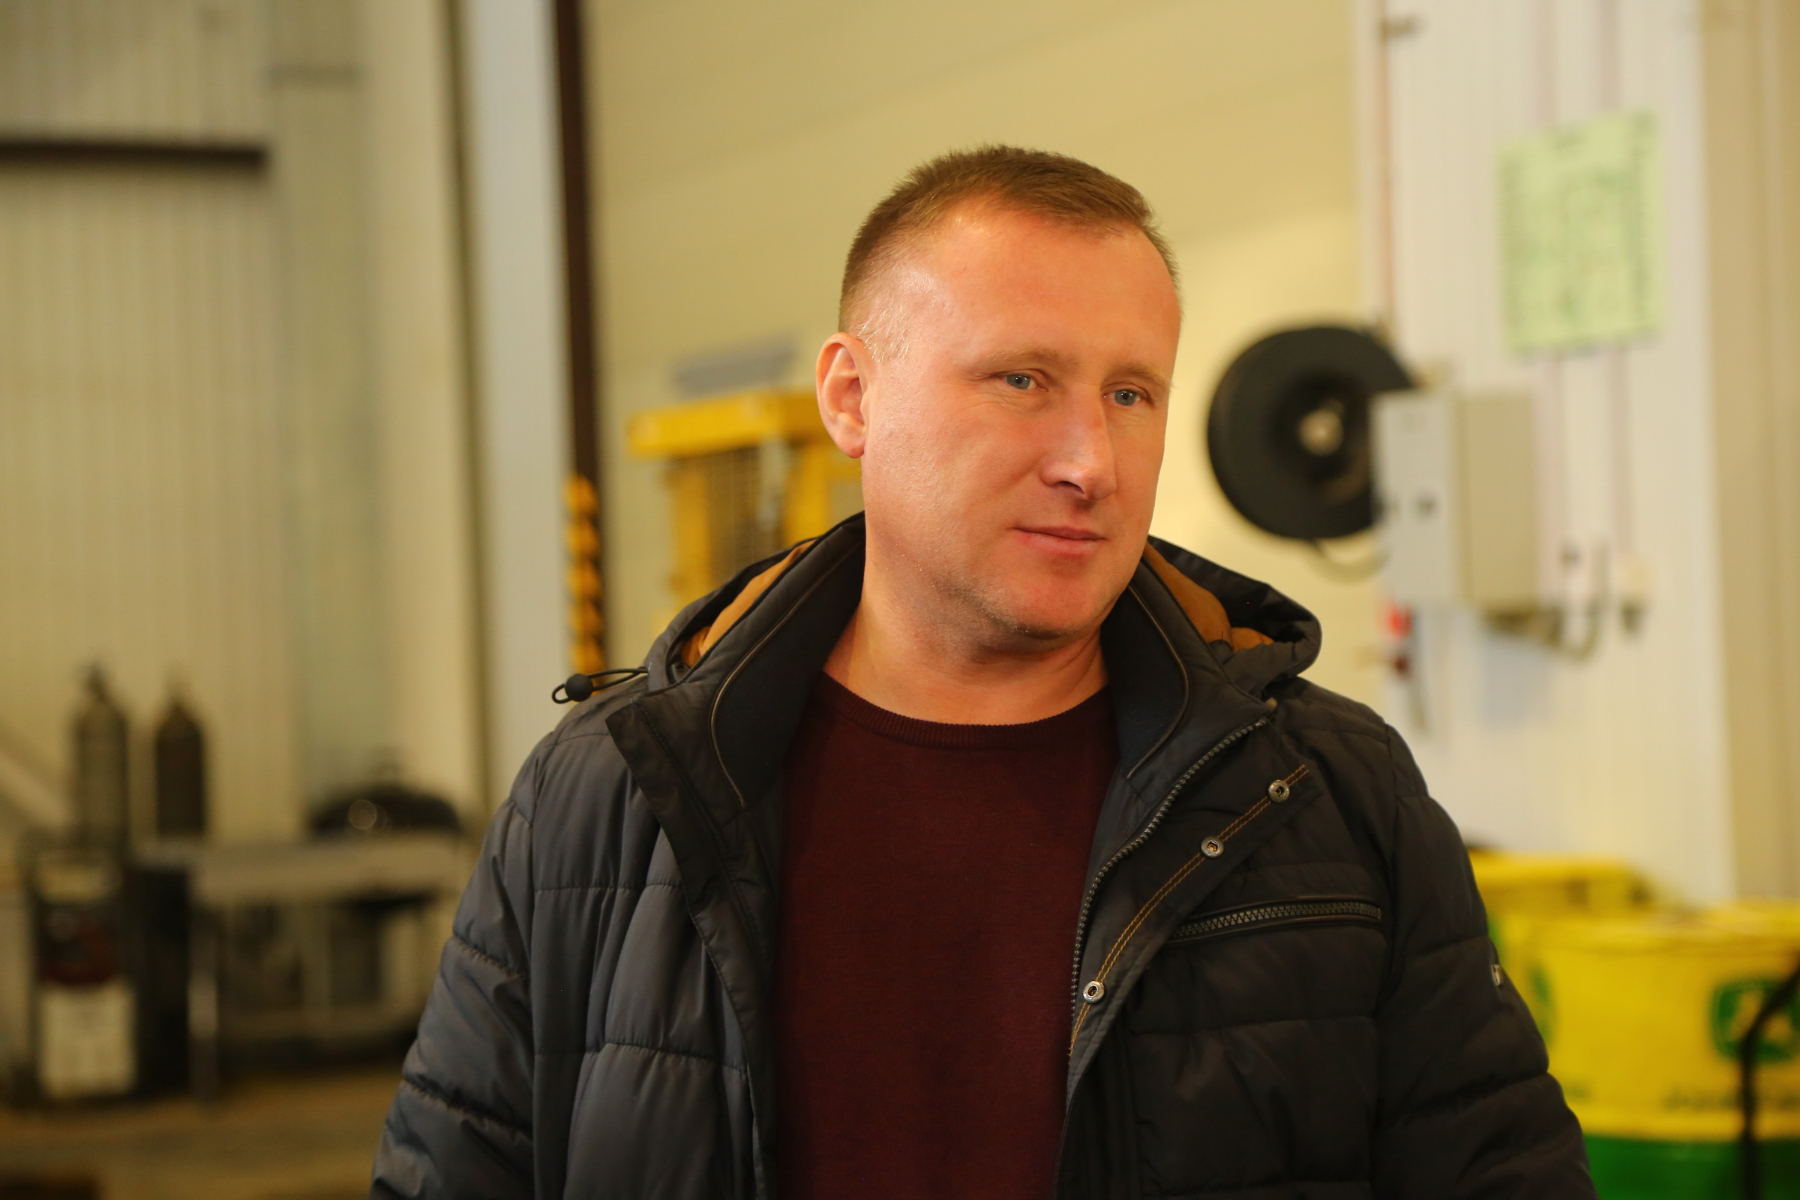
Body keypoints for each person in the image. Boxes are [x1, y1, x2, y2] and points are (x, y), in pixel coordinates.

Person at [372, 146, 1593, 1199]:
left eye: (1130, 394)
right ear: (852, 397)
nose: (1091, 462)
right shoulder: (605, 800)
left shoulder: (1328, 794)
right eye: (1023, 381)